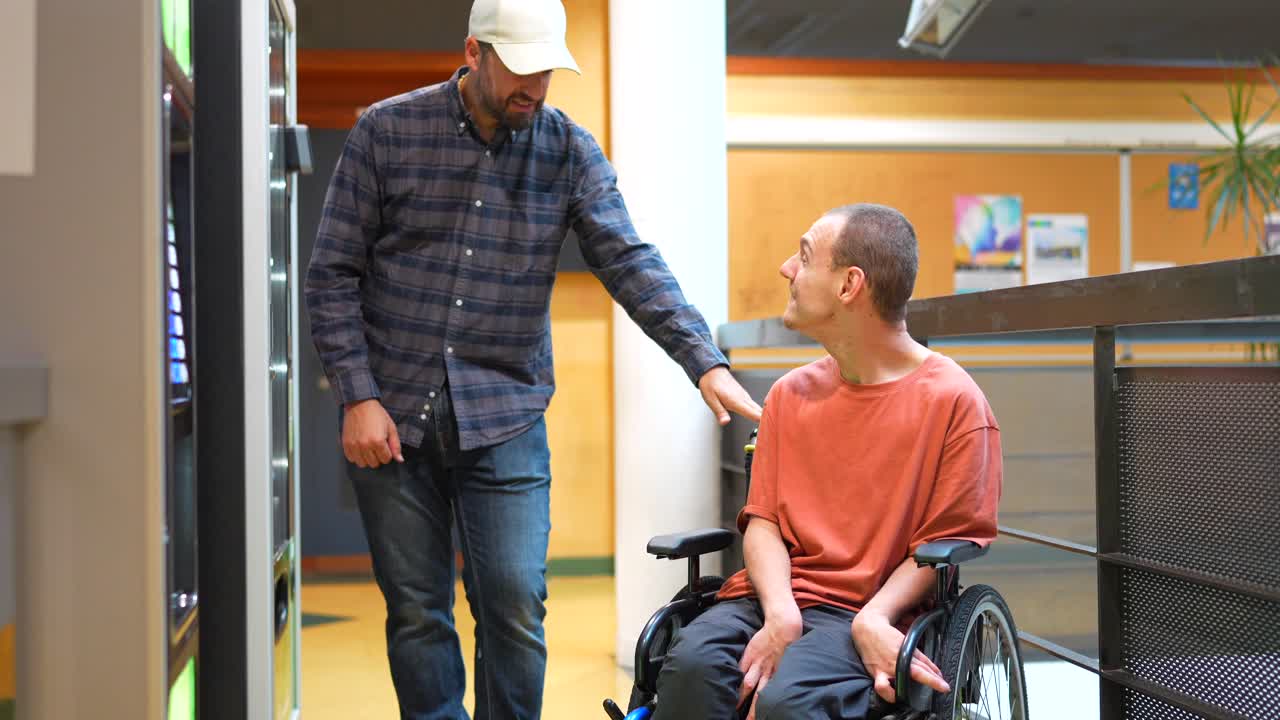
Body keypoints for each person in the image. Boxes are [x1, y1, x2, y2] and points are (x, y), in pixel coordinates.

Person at [302, 0, 762, 717]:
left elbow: (629, 260)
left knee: (515, 602)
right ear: (474, 52)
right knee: (417, 611)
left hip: (506, 414)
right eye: (520, 69)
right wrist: (357, 395)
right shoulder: (387, 131)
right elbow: (331, 273)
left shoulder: (568, 150)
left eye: (546, 70)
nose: (535, 87)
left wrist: (704, 360)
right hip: (391, 415)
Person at [651, 204, 1003, 720]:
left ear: (849, 285)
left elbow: (945, 544)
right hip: (769, 597)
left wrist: (873, 618)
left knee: (789, 702)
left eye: (804, 256)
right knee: (691, 668)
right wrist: (781, 613)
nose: (786, 269)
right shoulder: (789, 395)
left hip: (868, 609)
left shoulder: (956, 404)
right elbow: (763, 521)